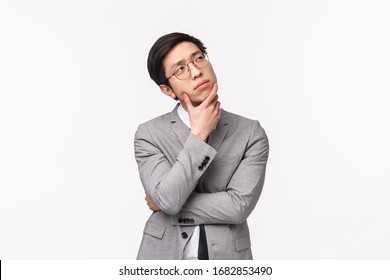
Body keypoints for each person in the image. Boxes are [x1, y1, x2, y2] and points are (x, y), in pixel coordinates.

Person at [134, 32, 269, 260]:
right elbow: (168, 199)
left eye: (198, 59)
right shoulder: (149, 134)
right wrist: (199, 135)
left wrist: (166, 204)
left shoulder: (250, 133)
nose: (196, 71)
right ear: (168, 90)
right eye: (180, 69)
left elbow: (238, 207)